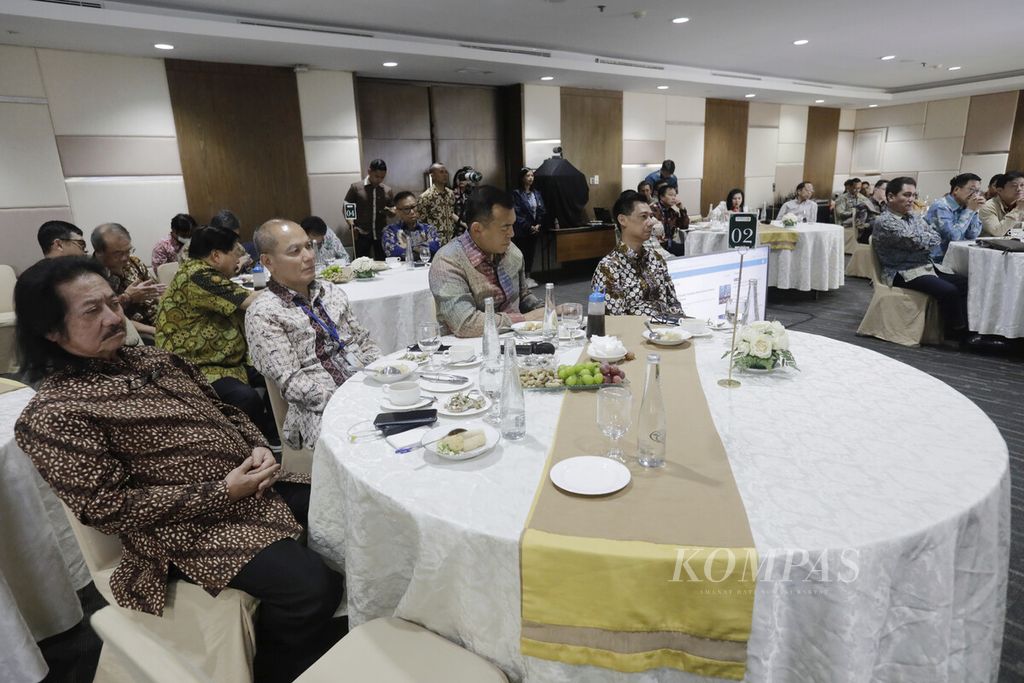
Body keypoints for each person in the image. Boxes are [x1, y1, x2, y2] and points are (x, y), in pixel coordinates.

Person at [12, 256, 343, 683]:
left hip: (251, 486)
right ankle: (278, 668)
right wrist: (222, 492)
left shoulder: (153, 361)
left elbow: (227, 411)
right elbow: (108, 509)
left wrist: (259, 447)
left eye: (114, 303)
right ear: (50, 330)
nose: (114, 317)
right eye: (92, 311)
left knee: (343, 506)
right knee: (310, 588)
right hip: (183, 530)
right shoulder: (55, 413)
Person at [247, 220, 382, 449]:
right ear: (268, 262)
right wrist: (347, 399)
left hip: (367, 386)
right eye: (295, 251)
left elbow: (362, 340)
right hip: (319, 409)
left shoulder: (329, 291)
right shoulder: (264, 313)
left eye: (309, 246)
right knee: (369, 447)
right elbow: (292, 383)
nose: (309, 256)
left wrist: (383, 374)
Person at [154, 225, 278, 445]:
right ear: (216, 256)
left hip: (226, 357)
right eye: (235, 256)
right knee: (245, 397)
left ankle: (276, 430)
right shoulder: (198, 276)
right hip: (196, 364)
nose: (237, 262)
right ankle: (260, 443)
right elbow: (251, 302)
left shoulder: (196, 271)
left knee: (277, 369)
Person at [429, 185, 544, 336]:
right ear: (477, 229)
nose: (512, 233)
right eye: (505, 228)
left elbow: (522, 296)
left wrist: (546, 309)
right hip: (470, 351)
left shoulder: (512, 251)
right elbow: (466, 324)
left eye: (512, 225)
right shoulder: (448, 262)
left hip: (515, 341)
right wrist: (524, 319)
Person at [872, 177, 970, 341]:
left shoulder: (914, 217)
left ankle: (964, 325)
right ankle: (957, 333)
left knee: (964, 282)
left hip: (924, 266)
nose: (912, 200)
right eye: (907, 195)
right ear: (890, 197)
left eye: (914, 195)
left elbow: (935, 237)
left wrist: (923, 239)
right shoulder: (885, 221)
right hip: (901, 271)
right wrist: (923, 239)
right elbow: (916, 240)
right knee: (949, 291)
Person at [592, 190, 685, 318]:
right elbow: (616, 322)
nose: (651, 222)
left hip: (669, 332)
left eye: (650, 216)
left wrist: (683, 326)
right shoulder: (609, 268)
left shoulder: (656, 259)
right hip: (637, 334)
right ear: (622, 220)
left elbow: (673, 302)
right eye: (643, 216)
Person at [91, 223, 165, 337]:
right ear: (99, 252)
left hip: (160, 320)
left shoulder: (134, 262)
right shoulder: (92, 276)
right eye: (118, 254)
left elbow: (157, 291)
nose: (125, 258)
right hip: (133, 331)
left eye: (128, 251)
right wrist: (128, 298)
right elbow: (106, 318)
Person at [923, 173, 983, 259]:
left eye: (977, 191)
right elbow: (954, 237)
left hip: (954, 258)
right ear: (956, 190)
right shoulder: (941, 206)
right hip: (934, 261)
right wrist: (970, 210)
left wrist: (974, 210)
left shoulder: (966, 207)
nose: (975, 195)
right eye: (972, 190)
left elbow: (973, 234)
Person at [344, 158, 394, 260]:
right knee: (360, 263)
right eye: (376, 176)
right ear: (369, 171)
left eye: (382, 177)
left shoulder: (387, 190)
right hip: (361, 233)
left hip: (381, 233)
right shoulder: (356, 187)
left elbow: (393, 210)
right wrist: (351, 226)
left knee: (383, 262)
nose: (379, 180)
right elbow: (347, 207)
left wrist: (391, 211)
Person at [381, 191, 441, 261]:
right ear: (397, 211)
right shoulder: (390, 230)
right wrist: (422, 249)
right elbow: (393, 253)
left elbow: (435, 247)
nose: (412, 212)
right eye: (407, 209)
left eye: (414, 207)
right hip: (402, 270)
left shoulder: (429, 229)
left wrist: (409, 247)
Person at [512, 167, 546, 288]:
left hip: (534, 230)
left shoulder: (536, 193)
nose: (531, 178)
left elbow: (541, 210)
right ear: (522, 178)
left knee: (531, 253)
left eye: (532, 175)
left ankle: (528, 276)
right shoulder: (517, 193)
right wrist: (529, 226)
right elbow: (518, 213)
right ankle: (521, 279)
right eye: (528, 176)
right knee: (522, 254)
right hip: (522, 231)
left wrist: (538, 225)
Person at [419, 162, 458, 245]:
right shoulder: (426, 196)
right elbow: (420, 222)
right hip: (435, 242)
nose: (445, 175)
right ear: (432, 175)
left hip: (451, 239)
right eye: (441, 172)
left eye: (445, 172)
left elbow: (451, 213)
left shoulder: (450, 193)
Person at [979, 171, 1024, 237]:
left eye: (1022, 185)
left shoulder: (1021, 203)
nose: (1019, 189)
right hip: (989, 245)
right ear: (999, 190)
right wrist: (1018, 209)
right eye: (1014, 186)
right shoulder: (987, 207)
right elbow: (997, 232)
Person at [649, 183, 688, 256]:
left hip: (668, 244)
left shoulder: (672, 212)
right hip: (655, 244)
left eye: (675, 196)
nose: (673, 198)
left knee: (689, 248)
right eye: (670, 195)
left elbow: (684, 226)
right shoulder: (652, 210)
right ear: (661, 197)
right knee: (685, 250)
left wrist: (682, 209)